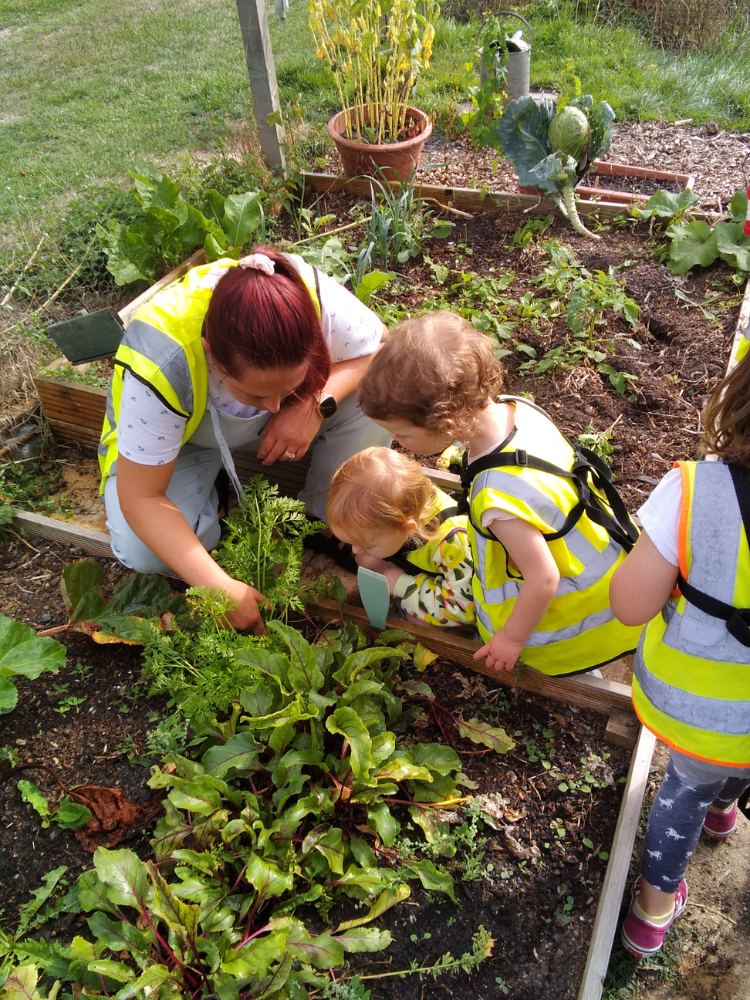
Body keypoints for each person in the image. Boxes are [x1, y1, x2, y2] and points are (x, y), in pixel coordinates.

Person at [98, 248, 390, 634]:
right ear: (211, 357)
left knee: (379, 396)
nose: (273, 405)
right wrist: (217, 586)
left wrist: (311, 405)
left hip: (283, 421)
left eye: (288, 387)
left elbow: (381, 347)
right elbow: (141, 497)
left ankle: (325, 519)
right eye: (256, 395)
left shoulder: (310, 302)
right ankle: (214, 495)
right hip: (185, 441)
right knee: (143, 550)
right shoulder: (161, 358)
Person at [357, 310, 642, 675]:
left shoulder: (498, 497)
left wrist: (510, 639)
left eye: (404, 434)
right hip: (604, 569)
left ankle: (575, 666)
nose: (398, 442)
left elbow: (543, 579)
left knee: (538, 653)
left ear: (446, 421)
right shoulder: (518, 410)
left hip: (576, 620)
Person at [610, 353, 750, 959]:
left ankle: (651, 910)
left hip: (698, 704)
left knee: (683, 787)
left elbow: (630, 604)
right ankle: (728, 806)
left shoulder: (694, 491)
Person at [326, 447, 475, 627]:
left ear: (407, 528)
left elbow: (462, 608)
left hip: (461, 603)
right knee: (367, 561)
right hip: (426, 573)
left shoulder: (454, 543)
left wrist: (403, 585)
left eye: (366, 544)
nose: (355, 550)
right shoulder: (406, 505)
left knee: (416, 621)